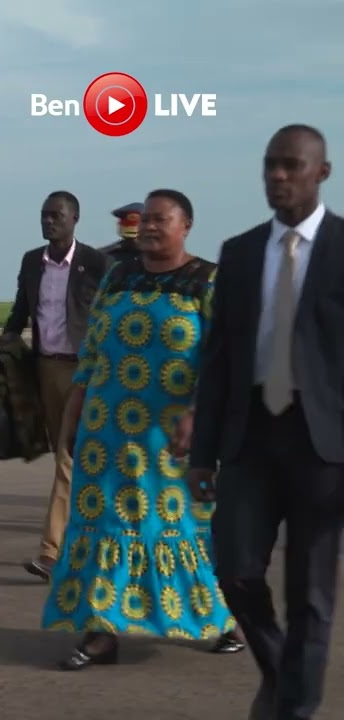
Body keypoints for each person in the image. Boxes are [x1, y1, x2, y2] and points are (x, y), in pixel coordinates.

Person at [41, 189, 243, 671]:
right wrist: (74, 413)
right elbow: (92, 353)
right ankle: (102, 632)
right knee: (105, 526)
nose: (150, 227)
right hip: (106, 435)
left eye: (161, 220)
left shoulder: (207, 281)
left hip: (171, 438)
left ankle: (216, 619)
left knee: (177, 530)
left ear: (186, 226)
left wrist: (200, 412)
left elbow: (226, 361)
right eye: (146, 220)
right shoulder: (118, 276)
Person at [189, 124, 343, 720]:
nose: (277, 176)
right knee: (234, 569)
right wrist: (203, 452)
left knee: (312, 594)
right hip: (251, 435)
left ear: (321, 172)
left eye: (291, 166)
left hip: (324, 446)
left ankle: (294, 709)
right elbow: (220, 357)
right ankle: (283, 675)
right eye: (269, 166)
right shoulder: (241, 251)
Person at [1, 191, 110, 581]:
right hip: (47, 369)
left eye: (57, 215)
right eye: (44, 215)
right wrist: (3, 347)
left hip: (86, 373)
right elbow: (20, 310)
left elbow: (111, 316)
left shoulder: (97, 263)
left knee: (68, 456)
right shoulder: (32, 262)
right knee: (70, 457)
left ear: (75, 219)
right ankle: (85, 541)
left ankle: (51, 551)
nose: (49, 221)